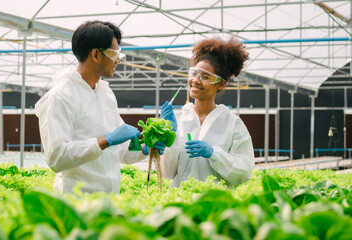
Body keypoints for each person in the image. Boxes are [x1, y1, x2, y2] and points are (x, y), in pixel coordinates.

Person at [35, 21, 162, 194]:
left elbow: (121, 151)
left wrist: (145, 148)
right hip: (77, 202)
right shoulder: (60, 96)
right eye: (114, 53)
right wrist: (106, 139)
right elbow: (57, 157)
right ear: (95, 54)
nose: (118, 59)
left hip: (108, 201)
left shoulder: (106, 93)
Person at [160, 36, 254, 188]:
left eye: (205, 77)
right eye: (195, 73)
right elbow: (167, 173)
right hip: (180, 202)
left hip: (215, 204)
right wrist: (170, 140)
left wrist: (213, 154)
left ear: (221, 84)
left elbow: (244, 173)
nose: (196, 80)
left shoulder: (232, 123)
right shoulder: (179, 119)